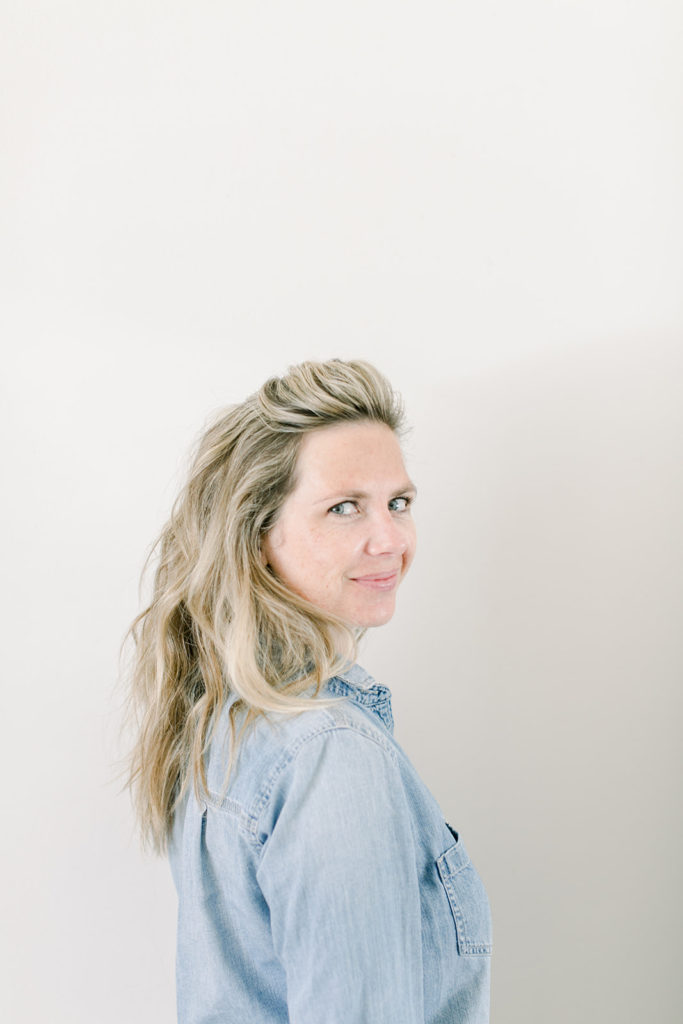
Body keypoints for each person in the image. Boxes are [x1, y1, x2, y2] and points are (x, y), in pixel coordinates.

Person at [126, 358, 492, 1024]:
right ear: (259, 536)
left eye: (399, 503)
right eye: (343, 508)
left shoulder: (226, 721)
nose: (390, 539)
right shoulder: (328, 753)